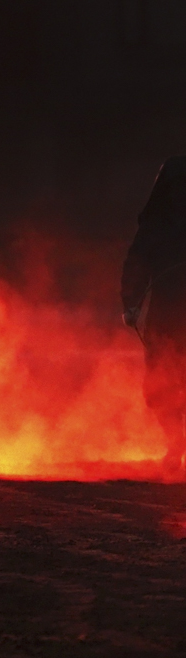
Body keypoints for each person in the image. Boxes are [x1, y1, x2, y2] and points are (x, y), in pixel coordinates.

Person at [122, 157, 186, 473]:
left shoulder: (155, 225)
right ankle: (176, 442)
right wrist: (130, 304)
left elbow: (136, 261)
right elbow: (137, 263)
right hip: (166, 314)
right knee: (161, 383)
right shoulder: (156, 227)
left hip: (168, 313)